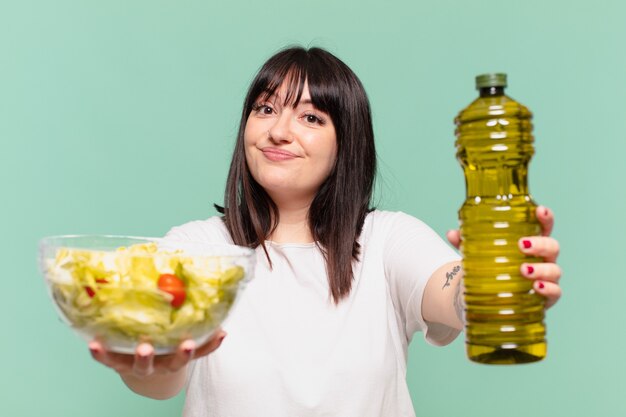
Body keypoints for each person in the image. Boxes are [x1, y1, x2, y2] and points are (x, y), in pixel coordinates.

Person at [88, 46, 562, 416]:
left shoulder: (387, 241)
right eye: (265, 109)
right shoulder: (197, 248)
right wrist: (151, 363)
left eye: (311, 117)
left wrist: (492, 277)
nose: (278, 131)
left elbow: (451, 290)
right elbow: (159, 375)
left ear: (346, 142)